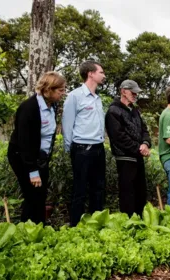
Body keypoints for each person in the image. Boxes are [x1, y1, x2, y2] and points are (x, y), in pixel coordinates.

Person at [8, 71, 66, 224]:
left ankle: (39, 228)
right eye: (60, 90)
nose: (63, 93)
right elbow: (25, 143)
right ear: (48, 90)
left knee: (40, 194)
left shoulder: (52, 105)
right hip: (22, 157)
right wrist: (33, 171)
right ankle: (26, 230)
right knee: (32, 194)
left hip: (40, 157)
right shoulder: (29, 108)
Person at [62, 60, 106, 226]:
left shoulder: (97, 98)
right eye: (101, 72)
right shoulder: (75, 96)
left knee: (98, 189)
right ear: (91, 74)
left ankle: (96, 224)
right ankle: (75, 226)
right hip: (81, 149)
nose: (104, 75)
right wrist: (71, 149)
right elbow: (67, 125)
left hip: (98, 149)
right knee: (79, 190)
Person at [105, 80, 151, 217]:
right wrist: (138, 148)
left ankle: (140, 220)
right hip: (125, 158)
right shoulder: (113, 111)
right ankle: (128, 222)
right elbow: (118, 137)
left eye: (137, 93)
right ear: (123, 91)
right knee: (128, 193)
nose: (135, 95)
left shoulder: (135, 110)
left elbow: (144, 130)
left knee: (141, 191)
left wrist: (145, 143)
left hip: (138, 158)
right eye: (133, 92)